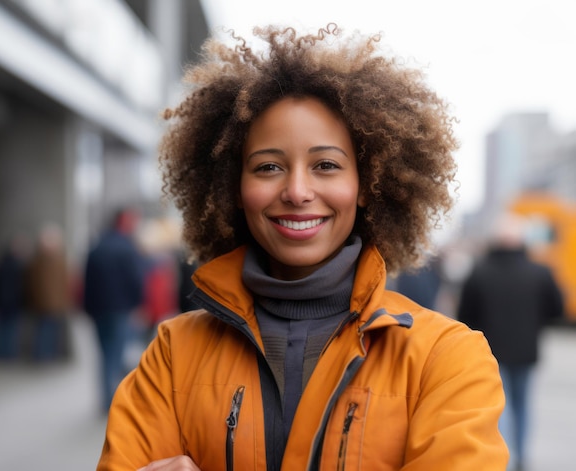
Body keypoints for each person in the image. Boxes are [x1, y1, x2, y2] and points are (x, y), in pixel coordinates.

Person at [97, 24, 508, 470]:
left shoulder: (445, 359)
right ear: (234, 187)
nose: (296, 191)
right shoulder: (172, 355)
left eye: (326, 165)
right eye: (269, 166)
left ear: (366, 185)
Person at [457, 212, 564, 471]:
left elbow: (464, 315)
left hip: (490, 351)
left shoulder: (480, 271)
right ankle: (521, 455)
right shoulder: (539, 272)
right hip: (526, 350)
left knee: (498, 406)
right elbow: (557, 309)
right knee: (523, 404)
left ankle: (502, 459)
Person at [83, 207, 145, 412]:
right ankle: (112, 401)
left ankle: (106, 399)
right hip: (120, 310)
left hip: (99, 311)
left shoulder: (97, 246)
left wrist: (88, 309)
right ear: (123, 222)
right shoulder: (127, 248)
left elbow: (86, 282)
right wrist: (138, 305)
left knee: (105, 355)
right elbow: (136, 280)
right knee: (116, 354)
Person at [24, 223, 71, 362]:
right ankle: (42, 356)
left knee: (52, 333)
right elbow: (36, 285)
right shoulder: (39, 261)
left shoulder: (58, 260)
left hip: (56, 304)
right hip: (44, 304)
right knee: (43, 332)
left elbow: (64, 282)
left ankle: (49, 356)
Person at [0, 232, 30, 359]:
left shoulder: (3, 263)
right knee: (8, 330)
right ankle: (6, 354)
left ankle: (3, 353)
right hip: (10, 302)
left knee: (5, 329)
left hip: (6, 302)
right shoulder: (16, 265)